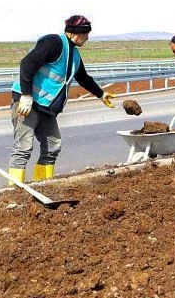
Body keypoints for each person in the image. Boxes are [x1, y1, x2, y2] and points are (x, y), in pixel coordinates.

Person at [9, 15, 115, 184]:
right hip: (27, 104)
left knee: (52, 147)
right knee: (23, 147)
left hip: (47, 108)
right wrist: (26, 95)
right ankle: (13, 191)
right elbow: (27, 64)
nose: (87, 38)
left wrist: (101, 94)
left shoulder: (74, 54)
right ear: (78, 32)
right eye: (86, 34)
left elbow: (83, 78)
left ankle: (43, 185)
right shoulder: (54, 42)